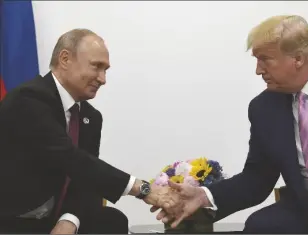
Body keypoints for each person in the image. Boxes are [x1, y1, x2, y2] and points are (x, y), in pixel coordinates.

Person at [153, 15, 308, 234]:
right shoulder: (264, 107)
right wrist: (204, 196)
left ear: (298, 58)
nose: (258, 70)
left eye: (265, 59)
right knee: (261, 226)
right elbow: (257, 177)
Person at [0, 29, 179, 234]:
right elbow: (70, 158)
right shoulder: (28, 99)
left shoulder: (90, 117)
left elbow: (84, 179)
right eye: (96, 67)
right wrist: (142, 189)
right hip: (9, 220)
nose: (102, 79)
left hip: (50, 219)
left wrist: (69, 221)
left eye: (106, 70)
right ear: (65, 59)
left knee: (112, 220)